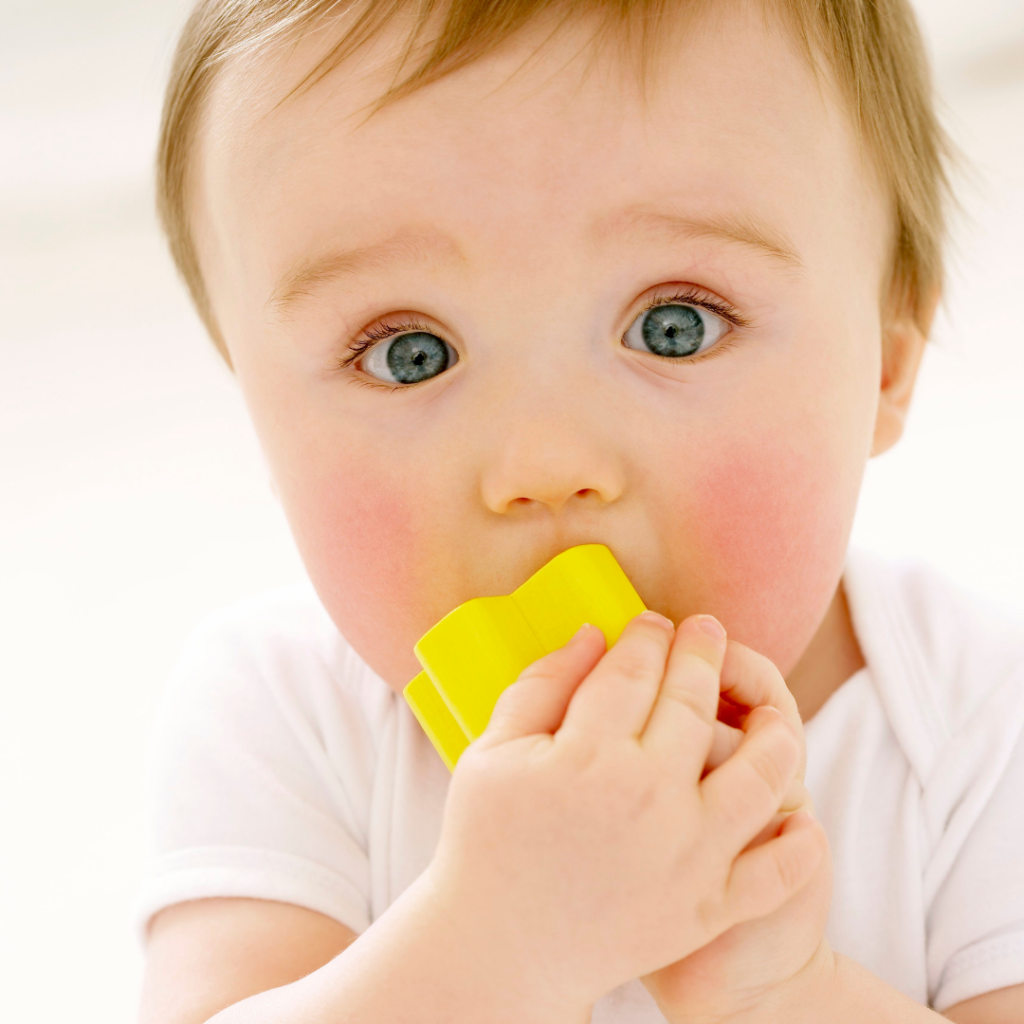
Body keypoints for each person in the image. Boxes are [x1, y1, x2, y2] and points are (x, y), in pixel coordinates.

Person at [136, 1, 1024, 1021]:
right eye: (406, 353)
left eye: (675, 325)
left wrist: (782, 992)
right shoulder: (284, 715)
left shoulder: (978, 729)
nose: (543, 466)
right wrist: (496, 944)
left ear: (886, 362)